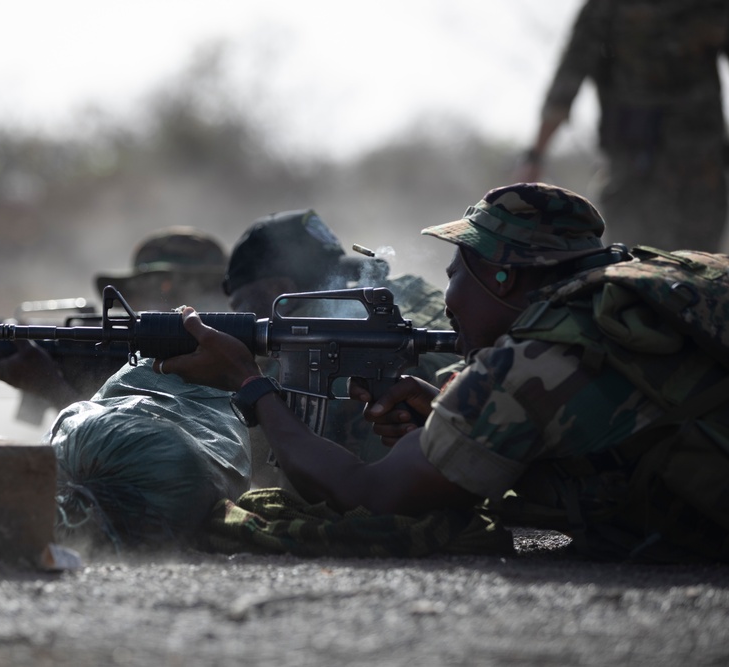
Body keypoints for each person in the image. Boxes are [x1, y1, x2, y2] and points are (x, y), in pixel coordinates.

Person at [157, 182, 729, 562]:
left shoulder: (530, 364)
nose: (447, 293)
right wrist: (449, 417)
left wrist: (249, 384)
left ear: (504, 276)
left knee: (526, 540)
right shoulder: (642, 294)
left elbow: (368, 495)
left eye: (457, 272)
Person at [220, 208, 461, 487]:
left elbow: (247, 464)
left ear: (278, 290)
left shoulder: (301, 353)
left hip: (408, 486)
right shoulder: (412, 293)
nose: (238, 316)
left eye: (240, 306)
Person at [515, 0, 729, 252]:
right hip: (645, 173)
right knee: (674, 275)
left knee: (654, 276)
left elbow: (566, 82)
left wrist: (535, 156)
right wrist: (535, 156)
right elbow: (568, 80)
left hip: (688, 174)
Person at [0, 227, 228, 415]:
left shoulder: (227, 365)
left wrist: (52, 388)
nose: (153, 304)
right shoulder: (118, 349)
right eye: (144, 290)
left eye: (170, 289)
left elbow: (128, 445)